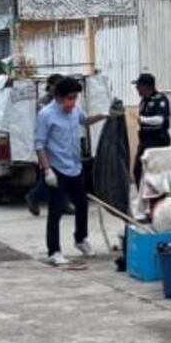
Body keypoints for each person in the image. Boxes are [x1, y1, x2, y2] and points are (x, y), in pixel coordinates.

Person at [34, 77, 107, 267]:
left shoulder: (75, 110)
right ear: (58, 96)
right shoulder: (46, 115)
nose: (72, 102)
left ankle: (80, 239)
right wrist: (47, 170)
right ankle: (54, 251)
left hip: (75, 167)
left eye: (75, 98)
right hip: (56, 169)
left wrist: (104, 115)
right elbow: (39, 144)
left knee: (82, 205)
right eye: (69, 98)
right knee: (56, 211)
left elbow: (86, 120)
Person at [26, 74, 69, 216]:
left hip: (62, 142)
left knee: (62, 175)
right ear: (50, 86)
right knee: (52, 174)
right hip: (49, 144)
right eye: (56, 85)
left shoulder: (63, 100)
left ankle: (63, 203)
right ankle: (34, 196)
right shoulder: (44, 103)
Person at [132, 73, 171, 186]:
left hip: (158, 141)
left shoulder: (160, 99)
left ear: (146, 86)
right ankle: (142, 199)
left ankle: (158, 199)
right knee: (138, 170)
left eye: (138, 86)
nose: (137, 89)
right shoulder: (144, 101)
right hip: (145, 140)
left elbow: (160, 120)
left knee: (156, 173)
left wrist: (142, 119)